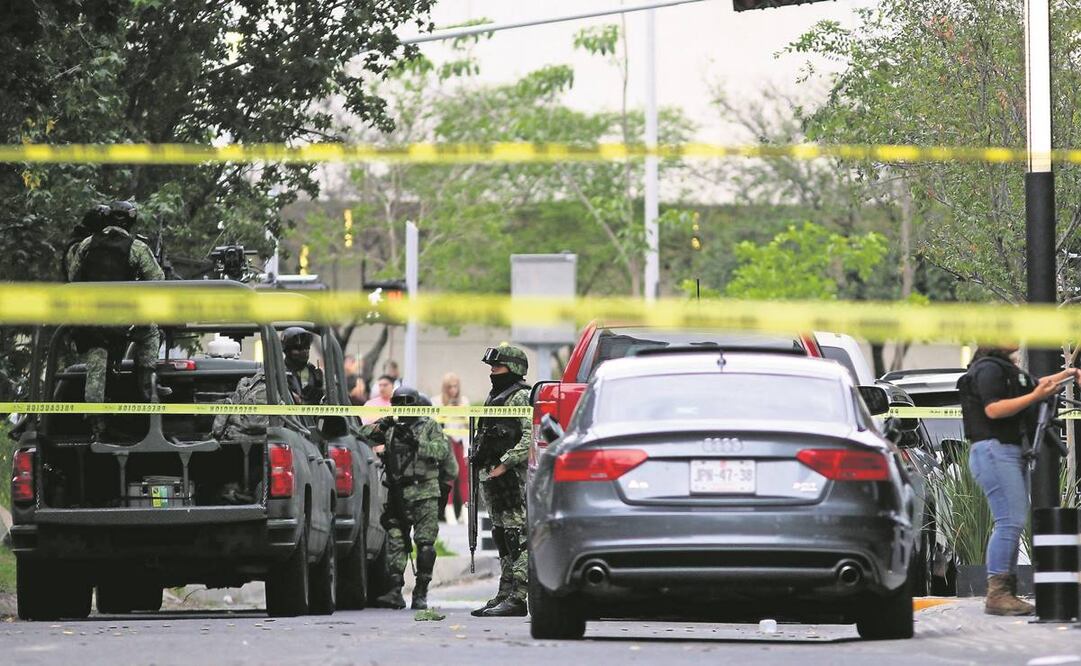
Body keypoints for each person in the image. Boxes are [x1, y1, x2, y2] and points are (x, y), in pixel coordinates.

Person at [957, 346, 1080, 616]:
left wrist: (1068, 374)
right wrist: (1035, 396)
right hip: (994, 450)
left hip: (1007, 451)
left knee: (1012, 520)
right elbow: (994, 410)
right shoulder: (989, 369)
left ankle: (1005, 592)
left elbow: (1040, 384)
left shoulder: (1007, 371)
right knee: (1009, 521)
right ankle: (998, 593)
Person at [66, 200, 164, 438]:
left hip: (92, 323)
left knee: (96, 366)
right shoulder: (137, 247)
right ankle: (147, 386)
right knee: (151, 332)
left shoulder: (88, 244)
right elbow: (159, 281)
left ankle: (96, 424)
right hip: (123, 322)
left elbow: (72, 276)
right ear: (131, 221)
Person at [361, 386, 458, 610]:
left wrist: (416, 444)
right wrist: (380, 425)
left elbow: (442, 451)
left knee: (425, 544)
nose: (402, 409)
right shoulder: (392, 427)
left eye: (406, 404)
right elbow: (362, 436)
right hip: (398, 492)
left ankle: (421, 591)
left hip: (425, 493)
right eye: (397, 405)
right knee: (395, 541)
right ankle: (395, 590)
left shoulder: (429, 425)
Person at [471, 345, 532, 618]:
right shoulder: (496, 396)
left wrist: (505, 463)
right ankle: (505, 591)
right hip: (492, 475)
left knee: (515, 535)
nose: (493, 372)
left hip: (511, 478)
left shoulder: (521, 397)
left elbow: (529, 436)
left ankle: (519, 596)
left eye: (498, 367)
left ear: (514, 369)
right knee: (500, 534)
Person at [434, 372, 470, 524]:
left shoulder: (464, 401)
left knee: (464, 477)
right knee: (448, 478)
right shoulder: (437, 401)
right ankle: (448, 511)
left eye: (455, 386)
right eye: (450, 387)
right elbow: (435, 423)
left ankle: (465, 511)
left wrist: (460, 411)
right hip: (446, 442)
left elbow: (470, 423)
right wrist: (448, 408)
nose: (453, 390)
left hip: (461, 442)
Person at [281, 327, 324, 405]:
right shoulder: (278, 372)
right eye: (298, 348)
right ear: (287, 350)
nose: (304, 352)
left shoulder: (313, 372)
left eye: (306, 348)